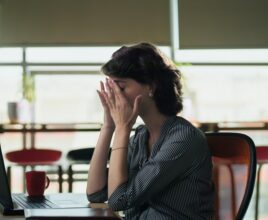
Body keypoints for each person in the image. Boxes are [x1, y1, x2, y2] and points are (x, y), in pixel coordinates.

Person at [86, 42, 214, 219]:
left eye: (121, 87)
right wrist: (108, 126)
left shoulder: (184, 138)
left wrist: (123, 128)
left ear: (151, 87)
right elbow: (96, 193)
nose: (115, 96)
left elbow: (118, 201)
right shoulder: (140, 137)